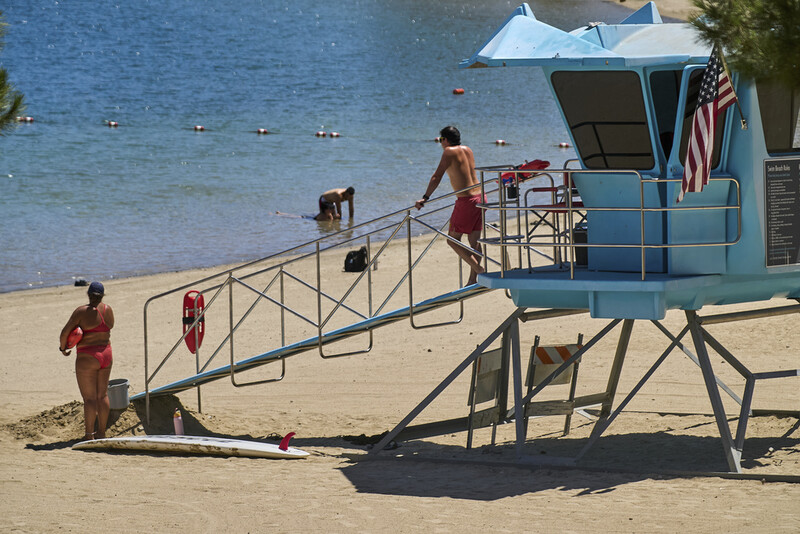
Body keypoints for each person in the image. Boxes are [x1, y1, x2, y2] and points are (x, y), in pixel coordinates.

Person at [415, 126, 486, 285]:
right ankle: (473, 279)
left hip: (467, 201)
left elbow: (436, 176)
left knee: (452, 240)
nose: (441, 143)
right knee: (474, 242)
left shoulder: (449, 151)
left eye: (441, 140)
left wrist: (425, 198)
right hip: (480, 197)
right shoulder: (468, 149)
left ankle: (480, 270)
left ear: (445, 139)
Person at [59, 281, 115, 441]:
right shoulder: (109, 310)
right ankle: (102, 433)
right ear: (102, 295)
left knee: (89, 398)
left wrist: (63, 349)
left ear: (88, 294)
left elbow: (64, 333)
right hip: (106, 354)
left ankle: (89, 435)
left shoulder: (81, 311)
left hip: (87, 356)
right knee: (102, 395)